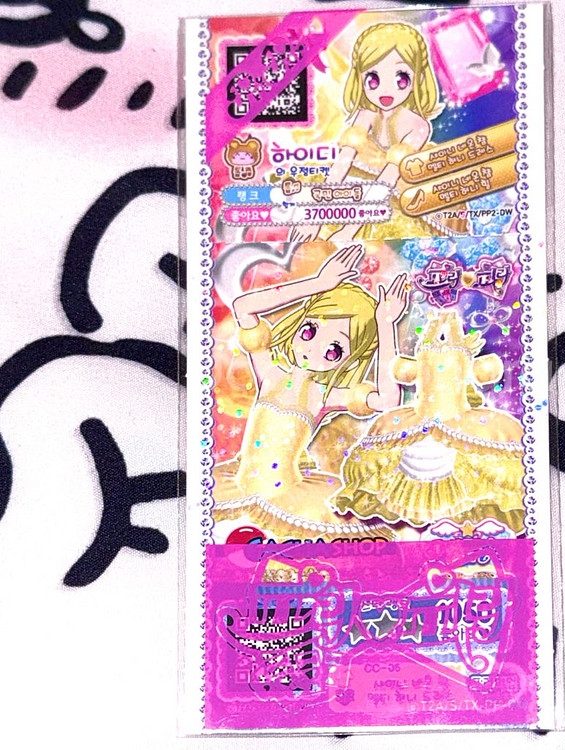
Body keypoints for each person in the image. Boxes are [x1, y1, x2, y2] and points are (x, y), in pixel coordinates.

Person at [212, 243, 409, 542]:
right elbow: (243, 307)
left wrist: (385, 326)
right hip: (237, 487)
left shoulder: (322, 394)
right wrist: (317, 284)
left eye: (334, 350)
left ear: (350, 359)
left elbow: (387, 400)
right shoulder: (270, 370)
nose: (313, 348)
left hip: (289, 500)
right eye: (309, 331)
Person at [332, 311, 526, 535]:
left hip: (458, 415)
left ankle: (467, 526)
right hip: (420, 416)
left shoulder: (460, 353)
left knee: (483, 467)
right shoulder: (425, 351)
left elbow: (485, 371)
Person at [290, 22, 465, 243]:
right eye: (373, 79)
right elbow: (341, 164)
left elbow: (386, 182)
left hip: (412, 188)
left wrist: (348, 230)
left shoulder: (418, 126)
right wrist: (314, 218)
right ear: (359, 78)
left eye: (401, 78)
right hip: (373, 179)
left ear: (418, 79)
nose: (386, 90)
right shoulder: (367, 114)